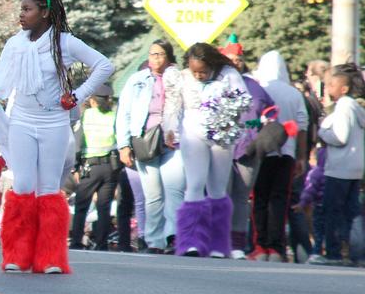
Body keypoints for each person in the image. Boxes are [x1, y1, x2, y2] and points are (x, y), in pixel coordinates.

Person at [0, 0, 114, 273]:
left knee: (48, 189)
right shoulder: (15, 44)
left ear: (44, 13)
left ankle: (50, 257)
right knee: (23, 184)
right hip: (22, 121)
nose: (21, 15)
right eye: (21, 9)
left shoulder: (65, 43)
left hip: (54, 123)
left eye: (27, 9)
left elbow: (104, 66)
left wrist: (78, 96)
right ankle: (17, 255)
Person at [166, 43, 250, 258]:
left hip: (221, 136)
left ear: (212, 65)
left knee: (217, 189)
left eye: (203, 71)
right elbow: (173, 106)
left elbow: (244, 101)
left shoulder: (229, 74)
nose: (199, 75)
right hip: (192, 134)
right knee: (194, 185)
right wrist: (170, 129)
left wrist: (229, 119)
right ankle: (190, 242)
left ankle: (218, 245)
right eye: (195, 71)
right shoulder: (182, 77)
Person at [114, 40, 185, 254]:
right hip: (145, 141)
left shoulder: (179, 79)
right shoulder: (137, 80)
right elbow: (124, 113)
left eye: (160, 54)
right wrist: (124, 145)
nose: (155, 58)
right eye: (152, 54)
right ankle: (154, 241)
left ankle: (174, 237)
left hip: (173, 141)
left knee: (174, 190)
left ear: (169, 57)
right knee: (153, 195)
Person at [249, 51, 308, 261]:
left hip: (263, 152)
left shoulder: (260, 89)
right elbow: (302, 126)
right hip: (288, 155)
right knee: (279, 200)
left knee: (260, 198)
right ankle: (276, 247)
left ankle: (260, 245)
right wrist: (301, 157)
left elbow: (252, 120)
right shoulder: (294, 93)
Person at [219, 36, 274, 259]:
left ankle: (237, 245)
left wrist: (257, 128)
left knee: (241, 198)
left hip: (248, 150)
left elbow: (270, 112)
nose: (235, 62)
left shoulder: (255, 87)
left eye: (239, 59)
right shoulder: (216, 84)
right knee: (220, 196)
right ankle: (218, 242)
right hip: (220, 149)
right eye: (231, 59)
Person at [313, 67, 365, 265]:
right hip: (354, 168)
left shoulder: (343, 107)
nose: (328, 88)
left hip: (340, 169)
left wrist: (323, 133)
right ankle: (357, 254)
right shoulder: (354, 107)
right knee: (352, 211)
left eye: (332, 85)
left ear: (344, 89)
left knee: (333, 211)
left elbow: (340, 137)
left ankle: (334, 253)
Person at [70, 84, 120, 251]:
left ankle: (77, 242)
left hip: (89, 168)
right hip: (110, 167)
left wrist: (75, 167)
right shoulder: (115, 116)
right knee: (103, 207)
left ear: (92, 101)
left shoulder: (86, 116)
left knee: (82, 205)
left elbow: (77, 143)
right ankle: (101, 244)